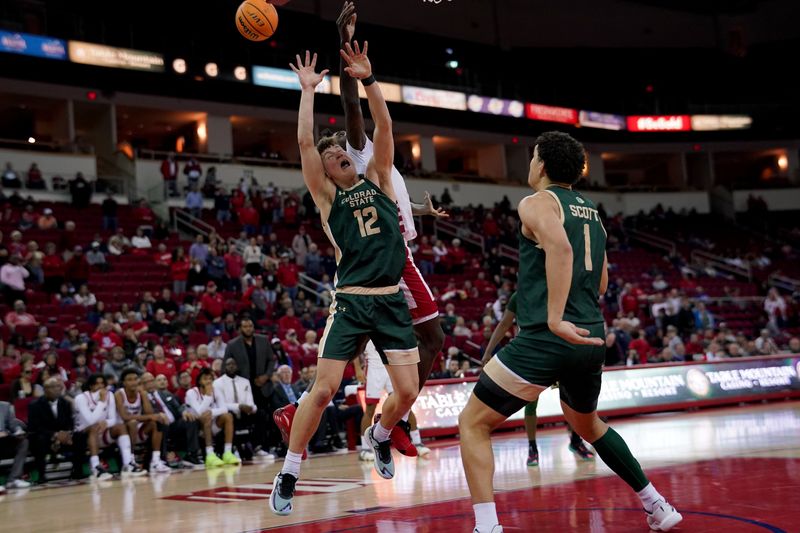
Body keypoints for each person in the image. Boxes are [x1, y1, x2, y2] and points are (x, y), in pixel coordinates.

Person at [458, 132, 681, 533]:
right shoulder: (592, 211)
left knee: (473, 423)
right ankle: (657, 504)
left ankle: (487, 526)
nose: (528, 165)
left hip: (547, 337)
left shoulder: (537, 202)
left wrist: (556, 317)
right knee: (588, 425)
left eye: (531, 157)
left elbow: (560, 249)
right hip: (590, 335)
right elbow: (601, 283)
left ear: (541, 164)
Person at [273, 3, 448, 470]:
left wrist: (416, 210)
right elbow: (353, 108)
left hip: (391, 254)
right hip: (381, 268)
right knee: (431, 337)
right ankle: (392, 425)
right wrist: (347, 56)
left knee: (367, 350)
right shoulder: (360, 149)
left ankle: (364, 420)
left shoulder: (377, 173)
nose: (342, 151)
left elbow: (386, 201)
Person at [269, 44, 421, 517]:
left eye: (341, 151)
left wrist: (370, 81)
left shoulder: (377, 178)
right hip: (352, 302)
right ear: (329, 171)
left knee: (409, 393)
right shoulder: (327, 199)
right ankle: (290, 470)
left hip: (391, 300)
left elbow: (385, 127)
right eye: (332, 155)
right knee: (323, 388)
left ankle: (379, 434)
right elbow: (303, 144)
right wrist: (308, 92)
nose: (339, 155)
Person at [481, 292, 594, 467]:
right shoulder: (519, 296)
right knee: (530, 402)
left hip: (557, 349)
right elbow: (504, 323)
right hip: (531, 353)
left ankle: (575, 440)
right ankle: (532, 447)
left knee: (570, 399)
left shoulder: (556, 290)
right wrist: (488, 352)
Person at [358, 341, 429, 462]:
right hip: (374, 368)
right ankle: (365, 449)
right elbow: (357, 345)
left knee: (405, 405)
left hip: (392, 367)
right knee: (370, 408)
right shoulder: (366, 324)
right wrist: (357, 368)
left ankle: (417, 442)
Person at [73, 374, 136, 480]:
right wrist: (102, 402)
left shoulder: (110, 395)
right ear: (91, 386)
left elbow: (113, 419)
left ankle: (127, 464)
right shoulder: (80, 398)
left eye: (102, 383)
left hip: (101, 432)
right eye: (97, 383)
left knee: (120, 426)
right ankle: (95, 467)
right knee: (93, 427)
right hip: (81, 435)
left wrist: (106, 423)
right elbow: (90, 421)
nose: (100, 386)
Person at [28, 378, 86, 482]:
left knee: (80, 437)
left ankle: (78, 471)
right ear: (45, 389)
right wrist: (54, 435)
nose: (57, 389)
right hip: (45, 437)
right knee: (39, 439)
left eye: (58, 387)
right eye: (53, 387)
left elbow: (69, 424)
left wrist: (65, 435)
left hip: (62, 437)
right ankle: (42, 475)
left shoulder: (65, 403)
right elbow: (35, 427)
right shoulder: (34, 405)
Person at [114, 369, 170, 474]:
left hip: (137, 430)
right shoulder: (119, 394)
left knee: (156, 422)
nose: (133, 382)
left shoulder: (141, 393)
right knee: (133, 422)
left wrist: (144, 394)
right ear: (124, 383)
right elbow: (125, 417)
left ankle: (156, 460)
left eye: (135, 379)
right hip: (121, 432)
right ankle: (130, 461)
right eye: (129, 380)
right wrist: (151, 416)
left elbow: (149, 413)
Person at [214, 357, 271, 458]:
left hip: (245, 412)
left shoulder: (245, 381)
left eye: (233, 364)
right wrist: (239, 406)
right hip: (229, 412)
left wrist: (252, 408)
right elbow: (221, 405)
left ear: (237, 366)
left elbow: (250, 401)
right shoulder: (218, 383)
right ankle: (232, 449)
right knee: (229, 415)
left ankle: (257, 447)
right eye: (228, 364)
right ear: (224, 367)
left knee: (261, 414)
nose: (231, 366)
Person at [185, 368, 239, 468]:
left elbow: (224, 409)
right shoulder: (191, 393)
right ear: (199, 381)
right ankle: (210, 454)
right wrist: (208, 395)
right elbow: (199, 412)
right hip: (200, 427)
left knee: (228, 416)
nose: (209, 381)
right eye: (205, 379)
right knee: (205, 417)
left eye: (211, 379)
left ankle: (227, 453)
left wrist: (212, 412)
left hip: (214, 424)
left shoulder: (216, 390)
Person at [0, 400, 31, 490]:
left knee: (23, 442)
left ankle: (13, 479)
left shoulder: (5, 405)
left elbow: (13, 424)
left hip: (5, 439)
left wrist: (18, 431)